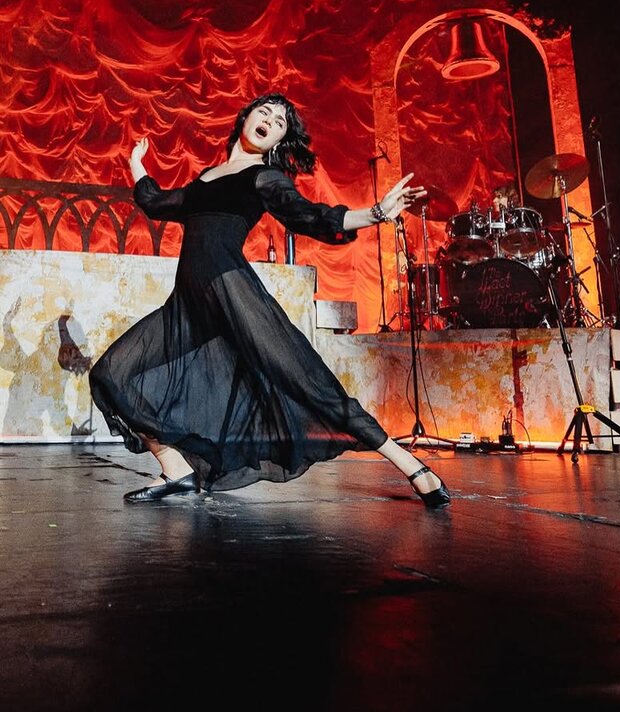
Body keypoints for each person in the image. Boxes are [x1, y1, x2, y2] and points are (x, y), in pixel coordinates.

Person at [88, 92, 450, 509]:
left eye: (279, 122)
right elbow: (156, 203)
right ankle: (176, 470)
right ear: (244, 119)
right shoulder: (206, 178)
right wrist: (136, 164)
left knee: (308, 383)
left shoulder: (264, 178)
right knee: (112, 374)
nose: (270, 121)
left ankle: (411, 465)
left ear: (279, 140)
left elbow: (310, 215)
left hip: (232, 293)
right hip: (188, 307)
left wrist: (376, 213)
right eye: (264, 113)